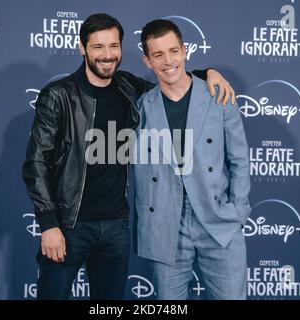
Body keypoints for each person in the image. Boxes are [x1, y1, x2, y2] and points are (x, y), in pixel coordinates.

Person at [22, 13, 235, 300]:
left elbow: (172, 86)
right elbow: (36, 163)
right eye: (98, 47)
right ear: (82, 48)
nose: (107, 55)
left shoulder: (127, 87)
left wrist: (206, 73)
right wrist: (49, 225)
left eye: (114, 46)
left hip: (115, 227)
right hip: (69, 225)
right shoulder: (58, 96)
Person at [134, 19, 250, 300]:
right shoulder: (140, 107)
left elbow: (239, 159)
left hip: (218, 220)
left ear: (184, 50)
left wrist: (238, 212)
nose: (168, 61)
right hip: (165, 225)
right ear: (147, 61)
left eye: (173, 51)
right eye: (158, 55)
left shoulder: (218, 96)